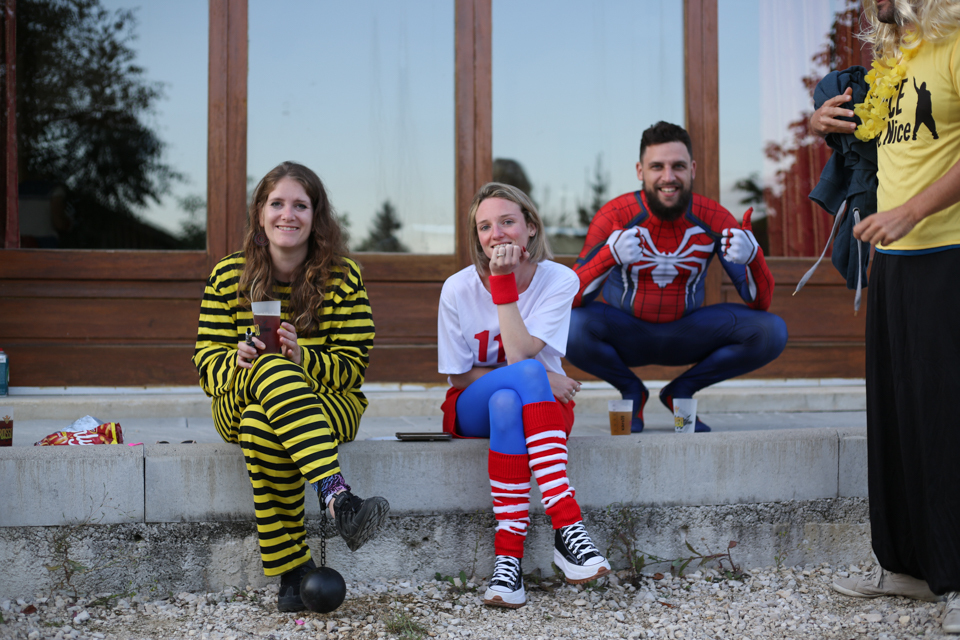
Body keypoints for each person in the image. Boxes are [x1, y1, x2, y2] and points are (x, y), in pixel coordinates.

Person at [810, 0, 960, 632]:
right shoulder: (893, 56)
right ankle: (911, 567)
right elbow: (884, 143)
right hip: (895, 258)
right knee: (897, 414)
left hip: (948, 252)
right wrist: (822, 121)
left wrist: (911, 212)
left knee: (946, 417)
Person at [193, 162, 389, 612]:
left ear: (315, 216)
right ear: (260, 214)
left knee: (261, 425)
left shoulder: (343, 277)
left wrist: (304, 359)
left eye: (300, 205)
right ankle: (337, 496)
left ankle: (293, 571)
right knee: (269, 372)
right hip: (238, 397)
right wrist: (237, 362)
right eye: (277, 203)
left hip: (329, 403)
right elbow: (206, 364)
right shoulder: (227, 276)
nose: (288, 214)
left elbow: (353, 367)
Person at [437, 182, 611, 609]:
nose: (495, 234)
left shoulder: (560, 279)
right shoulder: (457, 288)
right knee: (527, 374)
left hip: (542, 410)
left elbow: (517, 354)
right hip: (471, 404)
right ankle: (568, 526)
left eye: (507, 222)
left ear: (531, 227)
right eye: (484, 227)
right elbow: (460, 376)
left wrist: (503, 285)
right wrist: (542, 376)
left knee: (507, 402)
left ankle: (508, 563)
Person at [566, 122, 787, 433]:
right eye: (657, 166)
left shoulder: (714, 217)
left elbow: (759, 302)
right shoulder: (616, 215)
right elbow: (571, 297)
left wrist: (754, 258)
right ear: (640, 171)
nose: (668, 177)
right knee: (567, 325)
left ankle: (681, 391)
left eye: (678, 166)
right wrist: (609, 255)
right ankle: (631, 389)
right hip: (626, 332)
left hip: (687, 332)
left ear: (692, 169)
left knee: (771, 331)